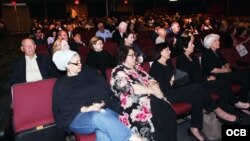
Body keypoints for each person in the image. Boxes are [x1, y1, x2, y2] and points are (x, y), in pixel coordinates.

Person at [149, 42, 239, 141]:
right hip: (167, 95)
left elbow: (173, 80)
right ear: (161, 52)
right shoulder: (155, 67)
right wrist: (172, 81)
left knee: (198, 98)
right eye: (167, 50)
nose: (170, 51)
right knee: (198, 87)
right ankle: (217, 110)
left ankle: (194, 128)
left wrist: (174, 80)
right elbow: (162, 89)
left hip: (175, 89)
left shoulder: (168, 63)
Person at [52, 50, 142, 141]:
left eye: (80, 61)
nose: (80, 64)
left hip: (103, 110)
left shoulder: (89, 71)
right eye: (76, 63)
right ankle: (134, 139)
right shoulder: (61, 84)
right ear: (67, 65)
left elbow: (103, 89)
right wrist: (87, 108)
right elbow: (63, 109)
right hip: (76, 117)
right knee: (98, 117)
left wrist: (100, 103)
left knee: (104, 131)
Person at [110, 46, 177, 141]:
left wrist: (156, 90)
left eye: (135, 55)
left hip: (152, 99)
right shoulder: (117, 71)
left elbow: (152, 80)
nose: (135, 57)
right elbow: (130, 89)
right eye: (131, 55)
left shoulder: (137, 68)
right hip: (134, 104)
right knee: (159, 116)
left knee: (169, 114)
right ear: (123, 57)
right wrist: (154, 91)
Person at [176, 34, 240, 121]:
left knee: (222, 84)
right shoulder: (181, 60)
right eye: (191, 44)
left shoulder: (193, 57)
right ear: (184, 47)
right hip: (194, 86)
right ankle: (234, 104)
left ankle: (226, 110)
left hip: (202, 82)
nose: (194, 45)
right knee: (221, 83)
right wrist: (207, 79)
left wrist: (208, 77)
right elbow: (189, 78)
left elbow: (200, 72)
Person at [201, 33, 250, 115]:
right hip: (217, 78)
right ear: (210, 44)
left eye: (218, 40)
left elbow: (226, 62)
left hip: (224, 75)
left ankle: (242, 103)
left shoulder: (217, 52)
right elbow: (212, 70)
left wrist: (227, 66)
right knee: (245, 73)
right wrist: (226, 70)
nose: (218, 42)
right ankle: (238, 105)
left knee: (246, 80)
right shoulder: (207, 53)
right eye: (215, 41)